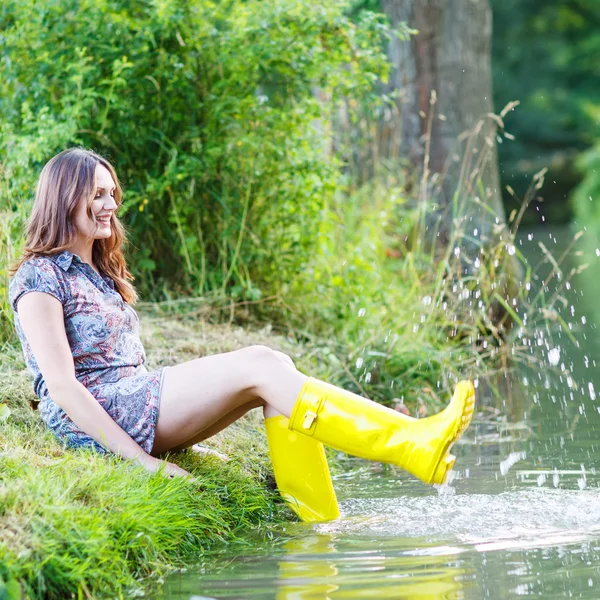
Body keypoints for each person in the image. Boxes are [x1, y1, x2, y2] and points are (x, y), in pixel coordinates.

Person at [9, 148, 475, 523]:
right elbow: (63, 385)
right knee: (260, 362)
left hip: (134, 399)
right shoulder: (39, 277)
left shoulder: (99, 271)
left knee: (275, 381)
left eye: (112, 193)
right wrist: (142, 462)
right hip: (98, 413)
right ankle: (411, 443)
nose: (111, 205)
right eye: (97, 195)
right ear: (63, 199)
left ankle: (320, 521)